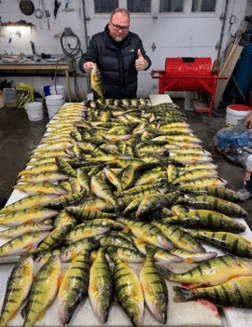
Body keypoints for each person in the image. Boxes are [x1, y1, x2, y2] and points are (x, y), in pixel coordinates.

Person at [78, 8, 151, 100]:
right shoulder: (97, 41)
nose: (120, 31)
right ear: (109, 24)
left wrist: (145, 63)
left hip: (128, 99)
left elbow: (146, 59)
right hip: (103, 98)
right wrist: (85, 65)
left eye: (124, 27)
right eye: (117, 26)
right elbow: (84, 60)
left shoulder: (135, 40)